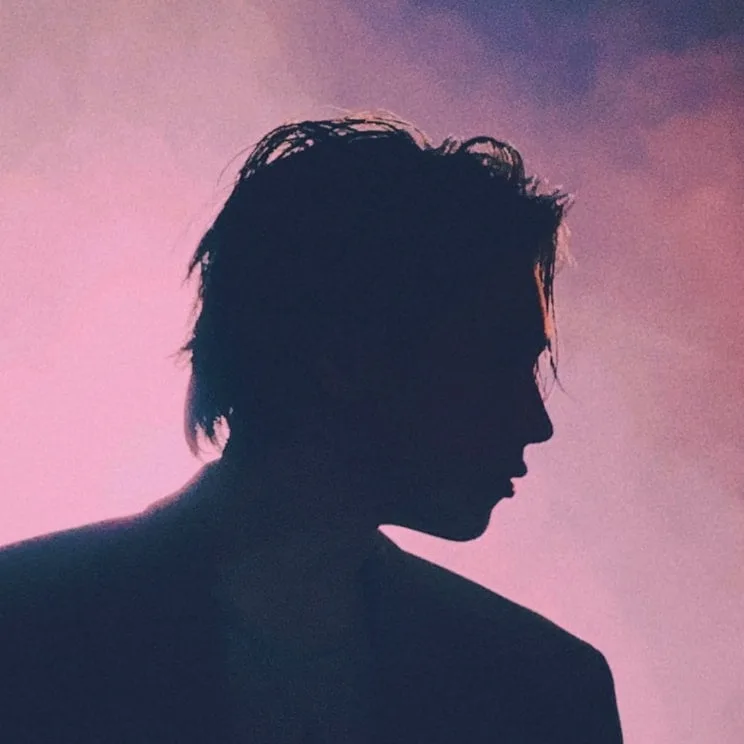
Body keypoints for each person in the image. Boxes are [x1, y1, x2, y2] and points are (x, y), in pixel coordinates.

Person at [0, 114, 624, 742]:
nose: (536, 421)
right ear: (344, 360)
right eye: (498, 362)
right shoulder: (540, 687)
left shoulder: (547, 689)